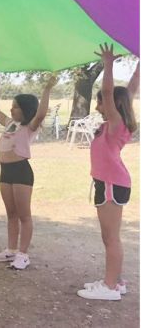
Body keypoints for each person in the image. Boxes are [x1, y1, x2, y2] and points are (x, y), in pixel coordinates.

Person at [77, 44, 139, 301]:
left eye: (100, 101)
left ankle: (110, 287)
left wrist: (108, 63)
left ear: (111, 103)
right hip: (108, 182)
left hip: (112, 183)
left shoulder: (116, 124)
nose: (98, 104)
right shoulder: (112, 124)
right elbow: (132, 89)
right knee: (108, 236)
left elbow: (108, 90)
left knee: (111, 238)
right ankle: (116, 281)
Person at [0, 74, 57, 269]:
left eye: (16, 106)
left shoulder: (29, 126)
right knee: (11, 214)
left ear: (25, 110)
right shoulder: (10, 122)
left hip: (21, 172)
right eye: (12, 106)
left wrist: (47, 89)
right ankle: (10, 250)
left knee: (24, 215)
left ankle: (23, 254)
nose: (12, 109)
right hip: (5, 171)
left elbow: (41, 113)